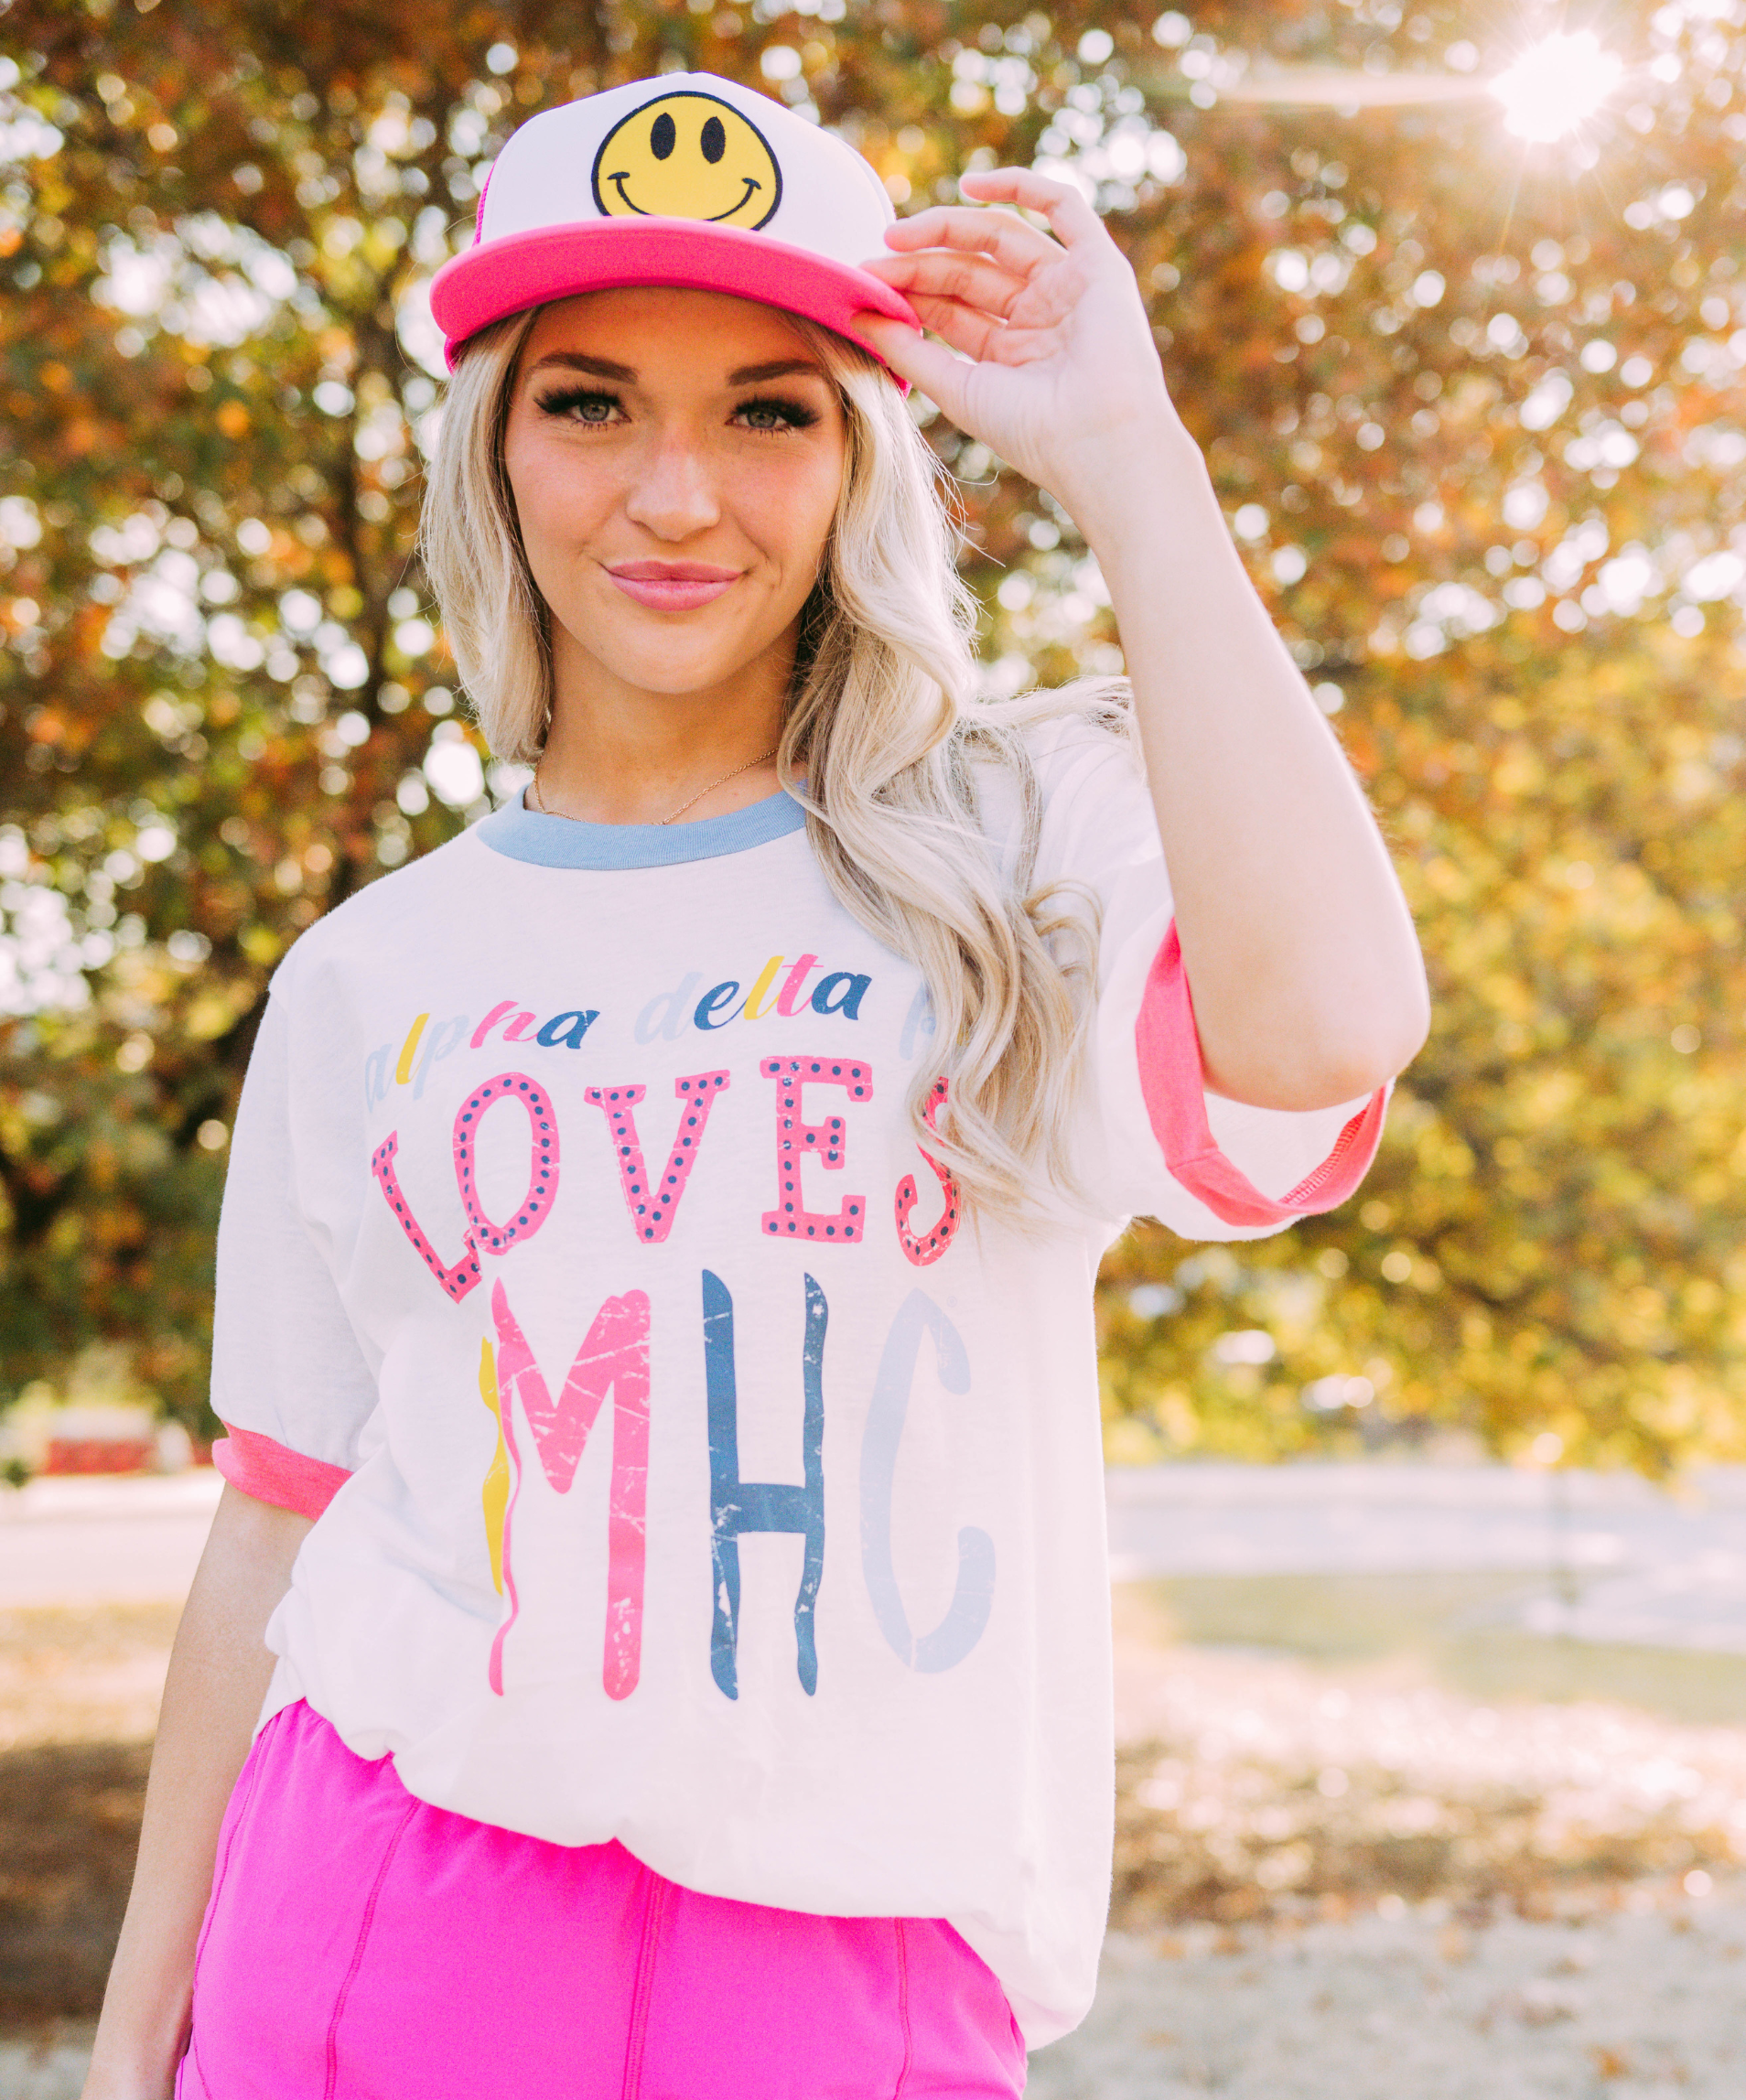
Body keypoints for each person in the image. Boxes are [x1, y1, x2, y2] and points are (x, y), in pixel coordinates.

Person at [83, 70, 1427, 2100]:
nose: (676, 494)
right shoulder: (365, 976)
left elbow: (1327, 1028)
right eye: (592, 399)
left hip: (843, 1985)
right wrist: (125, 2055)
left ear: (860, 449)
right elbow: (275, 1537)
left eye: (769, 409)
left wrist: (1131, 457)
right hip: (371, 1928)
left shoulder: (1007, 849)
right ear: (496, 446)